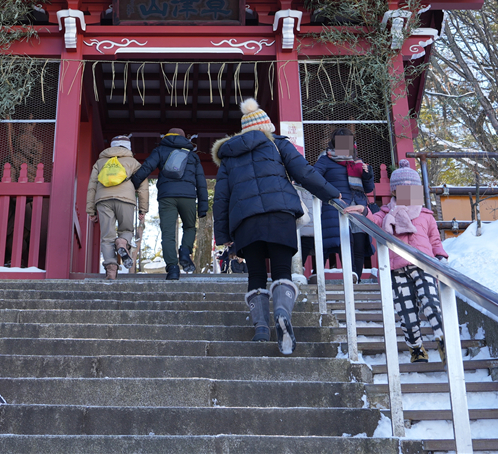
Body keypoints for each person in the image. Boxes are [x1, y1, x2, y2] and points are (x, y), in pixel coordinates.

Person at [212, 97, 345, 356]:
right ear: (266, 127)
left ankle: (261, 327)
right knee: (282, 270)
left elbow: (222, 197)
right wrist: (332, 194)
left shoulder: (228, 155)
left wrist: (224, 236)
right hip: (280, 213)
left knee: (256, 274)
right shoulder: (278, 144)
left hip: (246, 221)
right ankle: (282, 312)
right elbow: (303, 173)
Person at [359, 160, 449, 364]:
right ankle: (416, 348)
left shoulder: (426, 215)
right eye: (402, 188)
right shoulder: (385, 215)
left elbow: (434, 239)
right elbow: (374, 224)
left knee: (431, 303)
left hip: (423, 265)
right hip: (396, 270)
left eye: (411, 188)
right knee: (407, 315)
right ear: (395, 191)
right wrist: (364, 212)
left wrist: (440, 255)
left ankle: (444, 341)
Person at [130, 127, 209, 280]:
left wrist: (132, 184)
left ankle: (172, 269)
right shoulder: (192, 155)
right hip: (188, 197)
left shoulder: (160, 150)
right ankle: (185, 252)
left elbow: (146, 168)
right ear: (185, 138)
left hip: (167, 197)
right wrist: (203, 205)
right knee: (189, 227)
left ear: (167, 136)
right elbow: (201, 182)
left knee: (168, 233)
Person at [305, 128, 376, 283]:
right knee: (328, 241)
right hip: (335, 206)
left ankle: (354, 277)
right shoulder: (325, 159)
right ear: (334, 144)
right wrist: (330, 193)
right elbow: (314, 177)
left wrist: (367, 174)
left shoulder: (358, 162)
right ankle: (317, 274)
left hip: (357, 206)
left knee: (358, 242)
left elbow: (369, 188)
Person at [86, 134, 149, 280]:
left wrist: (90, 210)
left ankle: (111, 271)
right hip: (126, 199)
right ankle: (122, 242)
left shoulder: (100, 162)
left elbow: (92, 186)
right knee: (126, 230)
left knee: (107, 236)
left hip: (103, 200)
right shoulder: (133, 162)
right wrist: (142, 209)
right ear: (128, 148)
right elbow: (143, 187)